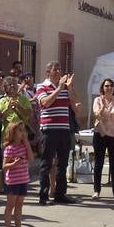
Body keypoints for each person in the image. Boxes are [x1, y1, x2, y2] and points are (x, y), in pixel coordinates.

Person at [34, 61, 75, 205]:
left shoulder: (64, 88)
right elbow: (45, 103)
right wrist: (59, 88)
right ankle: (43, 196)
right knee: (46, 163)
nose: (58, 72)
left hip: (64, 129)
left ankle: (60, 194)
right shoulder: (41, 86)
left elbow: (75, 105)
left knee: (62, 164)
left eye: (59, 69)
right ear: (48, 72)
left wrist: (69, 88)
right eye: (55, 70)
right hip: (49, 129)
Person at [91, 78, 114, 199]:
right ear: (102, 88)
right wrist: (101, 108)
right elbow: (96, 114)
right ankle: (96, 191)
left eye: (111, 86)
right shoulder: (98, 100)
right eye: (106, 86)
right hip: (100, 134)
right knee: (99, 163)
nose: (109, 88)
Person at [1, 120, 33, 227]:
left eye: (24, 130)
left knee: (19, 205)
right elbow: (4, 166)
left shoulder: (24, 146)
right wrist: (14, 164)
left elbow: (31, 159)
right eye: (20, 130)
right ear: (13, 133)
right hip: (13, 181)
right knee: (11, 205)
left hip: (23, 179)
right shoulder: (10, 148)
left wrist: (27, 143)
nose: (23, 133)